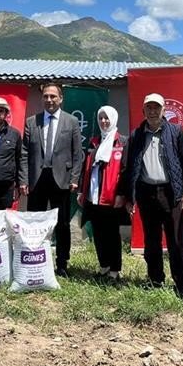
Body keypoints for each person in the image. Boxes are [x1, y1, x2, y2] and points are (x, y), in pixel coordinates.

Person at [119, 93, 183, 301]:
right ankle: (155, 279)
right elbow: (129, 167)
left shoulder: (176, 132)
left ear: (163, 110)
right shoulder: (136, 135)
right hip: (146, 192)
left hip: (171, 193)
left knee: (176, 241)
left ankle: (182, 285)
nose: (152, 111)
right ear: (143, 111)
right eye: (149, 108)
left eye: (156, 108)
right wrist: (129, 196)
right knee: (151, 240)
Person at [19, 83, 83, 277]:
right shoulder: (32, 122)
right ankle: (36, 259)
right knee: (34, 223)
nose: (49, 100)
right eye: (46, 96)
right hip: (37, 179)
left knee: (62, 224)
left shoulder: (71, 122)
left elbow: (77, 153)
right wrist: (23, 179)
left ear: (60, 98)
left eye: (53, 96)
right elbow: (24, 153)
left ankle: (62, 263)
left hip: (61, 179)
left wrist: (74, 178)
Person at [77, 105, 128, 283]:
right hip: (94, 196)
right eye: (101, 118)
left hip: (112, 198)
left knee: (112, 234)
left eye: (107, 118)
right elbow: (86, 168)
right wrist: (82, 192)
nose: (104, 121)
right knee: (98, 233)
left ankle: (114, 270)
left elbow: (126, 171)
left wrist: (123, 194)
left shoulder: (122, 142)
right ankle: (104, 266)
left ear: (113, 119)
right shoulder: (94, 142)